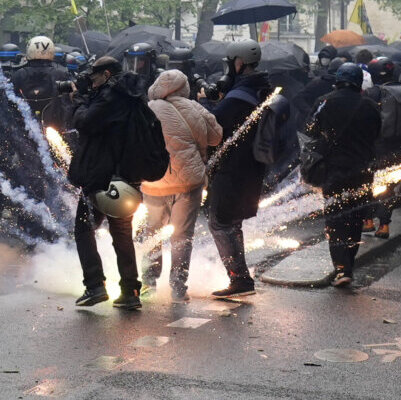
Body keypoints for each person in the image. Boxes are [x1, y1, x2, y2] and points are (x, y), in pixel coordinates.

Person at [139, 69, 222, 302]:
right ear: (184, 87)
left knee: (152, 232)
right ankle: (178, 287)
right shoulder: (194, 108)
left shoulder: (148, 109)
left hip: (154, 181)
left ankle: (148, 282)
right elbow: (216, 137)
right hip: (188, 183)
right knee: (182, 235)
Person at [68, 56, 143, 310]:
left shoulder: (111, 98)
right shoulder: (133, 96)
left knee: (83, 229)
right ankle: (131, 290)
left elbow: (84, 122)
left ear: (107, 74)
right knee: (122, 234)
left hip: (101, 178)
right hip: (127, 176)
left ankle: (95, 285)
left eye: (94, 75)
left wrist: (79, 99)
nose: (91, 80)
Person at [304, 63, 381, 286]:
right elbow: (377, 133)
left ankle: (341, 268)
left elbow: (310, 129)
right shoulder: (370, 105)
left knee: (335, 218)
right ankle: (349, 264)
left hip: (333, 170)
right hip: (363, 170)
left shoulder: (325, 101)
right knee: (356, 217)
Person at [201, 40, 268, 298]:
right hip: (251, 167)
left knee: (220, 222)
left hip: (232, 169)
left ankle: (239, 279)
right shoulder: (260, 88)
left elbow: (214, 128)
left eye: (230, 64)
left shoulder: (240, 97)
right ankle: (241, 277)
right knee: (232, 222)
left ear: (239, 63)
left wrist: (207, 106)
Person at [362, 57, 401, 238]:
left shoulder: (372, 93)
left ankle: (369, 220)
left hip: (378, 146)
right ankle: (384, 225)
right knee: (388, 187)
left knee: (370, 184)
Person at [11, 36, 72, 130]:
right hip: (54, 125)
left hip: (24, 126)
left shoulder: (18, 74)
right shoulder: (61, 74)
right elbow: (67, 104)